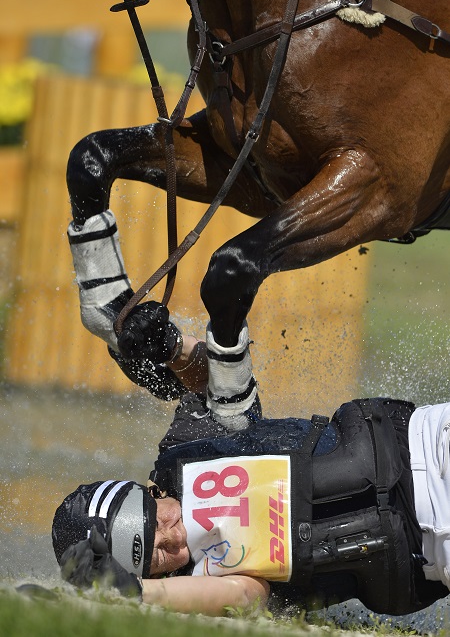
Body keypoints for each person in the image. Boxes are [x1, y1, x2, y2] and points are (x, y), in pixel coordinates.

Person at [57, 209, 450, 616]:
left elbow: (216, 378)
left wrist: (170, 346)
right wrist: (134, 593)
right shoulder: (191, 586)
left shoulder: (183, 450)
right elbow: (248, 596)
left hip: (427, 448)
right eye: (156, 557)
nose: (172, 539)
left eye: (155, 522)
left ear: (149, 492)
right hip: (433, 555)